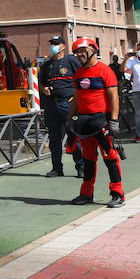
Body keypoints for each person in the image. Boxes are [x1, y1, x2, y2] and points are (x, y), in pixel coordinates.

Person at [68, 37, 126, 209]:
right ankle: (86, 193)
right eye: (77, 52)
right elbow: (76, 98)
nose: (80, 54)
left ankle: (118, 194)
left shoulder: (105, 70)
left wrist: (114, 120)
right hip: (85, 122)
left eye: (83, 50)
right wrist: (69, 120)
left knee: (110, 157)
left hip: (103, 121)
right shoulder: (78, 73)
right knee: (88, 159)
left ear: (93, 50)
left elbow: (114, 97)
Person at [38, 35, 81, 178]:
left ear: (63, 46)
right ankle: (57, 168)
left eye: (56, 44)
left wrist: (75, 97)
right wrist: (44, 89)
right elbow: (42, 83)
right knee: (54, 138)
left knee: (74, 135)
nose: (53, 47)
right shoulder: (47, 65)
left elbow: (83, 78)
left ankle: (81, 166)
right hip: (52, 104)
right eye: (52, 44)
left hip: (68, 104)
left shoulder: (71, 60)